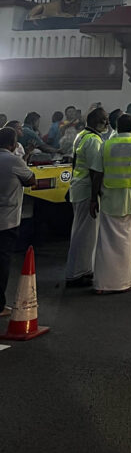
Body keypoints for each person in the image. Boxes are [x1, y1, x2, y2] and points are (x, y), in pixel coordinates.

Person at [90, 113, 131, 294]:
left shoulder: (106, 145)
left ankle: (102, 284)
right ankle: (124, 282)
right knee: (128, 242)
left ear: (116, 127)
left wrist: (93, 199)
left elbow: (97, 174)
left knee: (105, 242)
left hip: (109, 199)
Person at [64, 106, 108, 288]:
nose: (107, 123)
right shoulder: (93, 141)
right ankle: (76, 274)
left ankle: (84, 269)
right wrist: (94, 198)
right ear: (97, 122)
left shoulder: (81, 135)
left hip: (78, 187)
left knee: (81, 231)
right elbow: (95, 172)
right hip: (86, 190)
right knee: (85, 234)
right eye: (105, 120)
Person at [0, 126, 36, 316]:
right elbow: (31, 180)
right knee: (2, 264)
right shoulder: (14, 160)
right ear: (13, 144)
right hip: (7, 221)